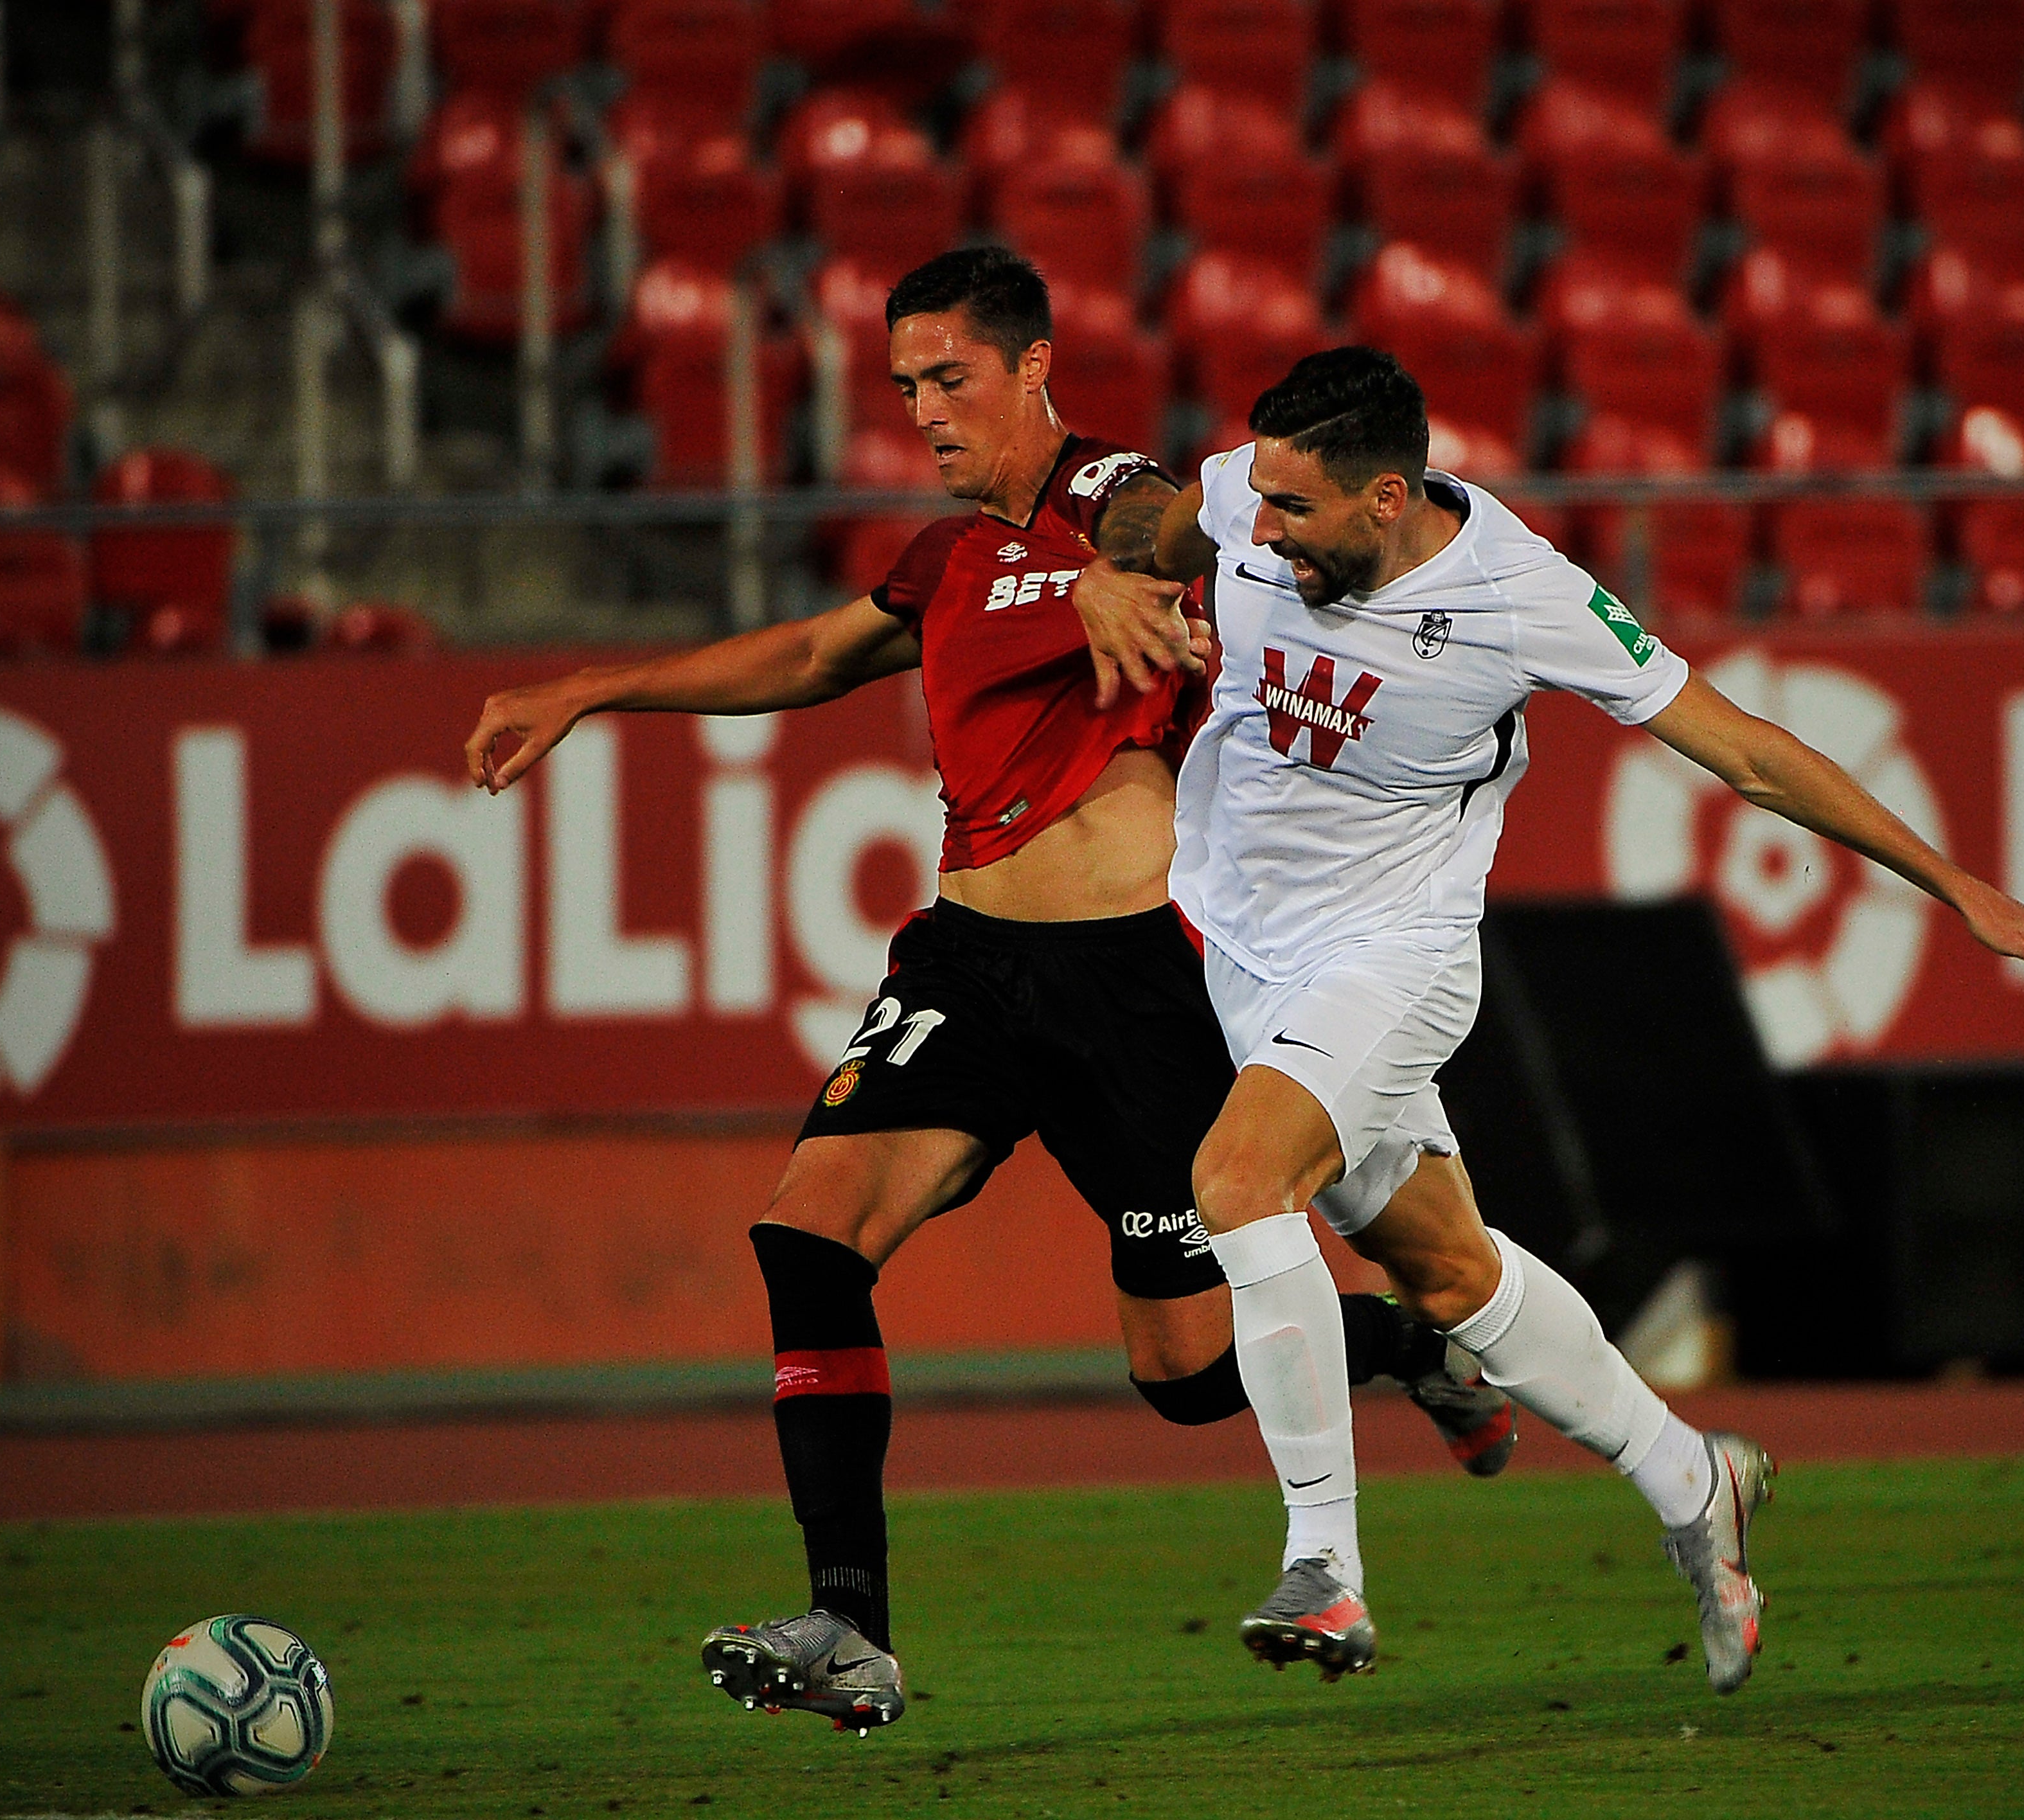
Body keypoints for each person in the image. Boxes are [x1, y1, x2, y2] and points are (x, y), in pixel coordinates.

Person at [459, 256, 1514, 1736]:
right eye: (903, 388)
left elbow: (1194, 536)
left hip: (1137, 978)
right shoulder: (944, 560)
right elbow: (822, 652)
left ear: (1030, 368)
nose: (924, 414)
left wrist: (1118, 571)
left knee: (1181, 1373)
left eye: (949, 379)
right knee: (806, 1234)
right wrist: (593, 689)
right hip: (967, 964)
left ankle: (1409, 1344)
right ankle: (848, 1628)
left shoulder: (1121, 493)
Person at [1070, 347, 2024, 1691]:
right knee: (1446, 1274)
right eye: (1256, 501)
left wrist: (1957, 886)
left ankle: (1324, 1567)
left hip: (1392, 959)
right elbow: (1148, 516)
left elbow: (1743, 748)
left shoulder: (1519, 597)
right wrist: (1108, 567)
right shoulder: (1248, 499)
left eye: (1293, 513)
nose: (1258, 533)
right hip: (1245, 956)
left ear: (1388, 498)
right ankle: (1694, 1479)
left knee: (1238, 1181)